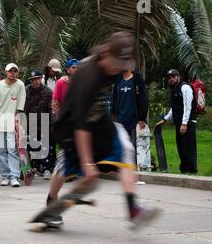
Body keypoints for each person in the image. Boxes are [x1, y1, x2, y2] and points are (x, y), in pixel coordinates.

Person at [48, 31, 160, 229]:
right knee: (66, 165)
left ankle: (133, 208)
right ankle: (51, 201)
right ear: (107, 52)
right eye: (116, 63)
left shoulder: (116, 68)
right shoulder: (87, 75)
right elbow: (81, 126)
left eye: (122, 65)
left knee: (125, 147)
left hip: (99, 121)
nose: (118, 69)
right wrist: (88, 164)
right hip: (72, 125)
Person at [0, 63, 26, 187]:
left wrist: (16, 121)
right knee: (0, 150)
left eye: (15, 71)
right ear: (6, 72)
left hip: (12, 121)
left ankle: (14, 176)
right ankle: (5, 176)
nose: (13, 74)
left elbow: (19, 106)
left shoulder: (20, 85)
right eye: (10, 71)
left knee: (12, 150)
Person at [155, 69, 197, 174]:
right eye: (169, 78)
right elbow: (174, 109)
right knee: (181, 148)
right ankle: (184, 170)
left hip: (188, 123)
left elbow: (188, 106)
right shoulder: (174, 90)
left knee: (188, 148)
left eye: (173, 77)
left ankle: (191, 170)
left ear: (178, 77)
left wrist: (184, 123)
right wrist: (165, 120)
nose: (171, 79)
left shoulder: (185, 87)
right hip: (179, 124)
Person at [24, 69, 55, 179]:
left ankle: (47, 168)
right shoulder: (26, 90)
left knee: (46, 147)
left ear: (41, 79)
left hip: (45, 121)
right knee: (33, 147)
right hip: (31, 121)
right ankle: (36, 168)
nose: (36, 81)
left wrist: (51, 124)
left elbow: (51, 109)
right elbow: (23, 108)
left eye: (37, 79)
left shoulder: (48, 91)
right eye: (33, 80)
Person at [111, 69, 148, 152]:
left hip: (135, 122)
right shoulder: (118, 81)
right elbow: (114, 102)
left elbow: (143, 99)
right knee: (122, 150)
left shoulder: (137, 80)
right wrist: (114, 119)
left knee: (135, 150)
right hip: (121, 122)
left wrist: (142, 118)